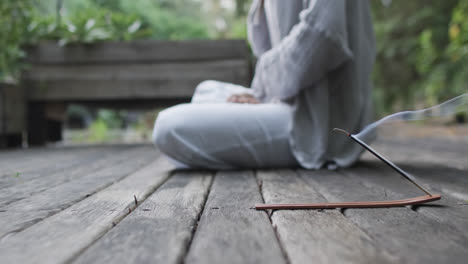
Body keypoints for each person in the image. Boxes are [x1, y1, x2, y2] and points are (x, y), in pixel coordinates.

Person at [152, 0, 376, 170]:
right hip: (290, 97)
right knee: (207, 90)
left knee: (169, 127)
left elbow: (323, 38)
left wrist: (264, 89)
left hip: (319, 121)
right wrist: (264, 95)